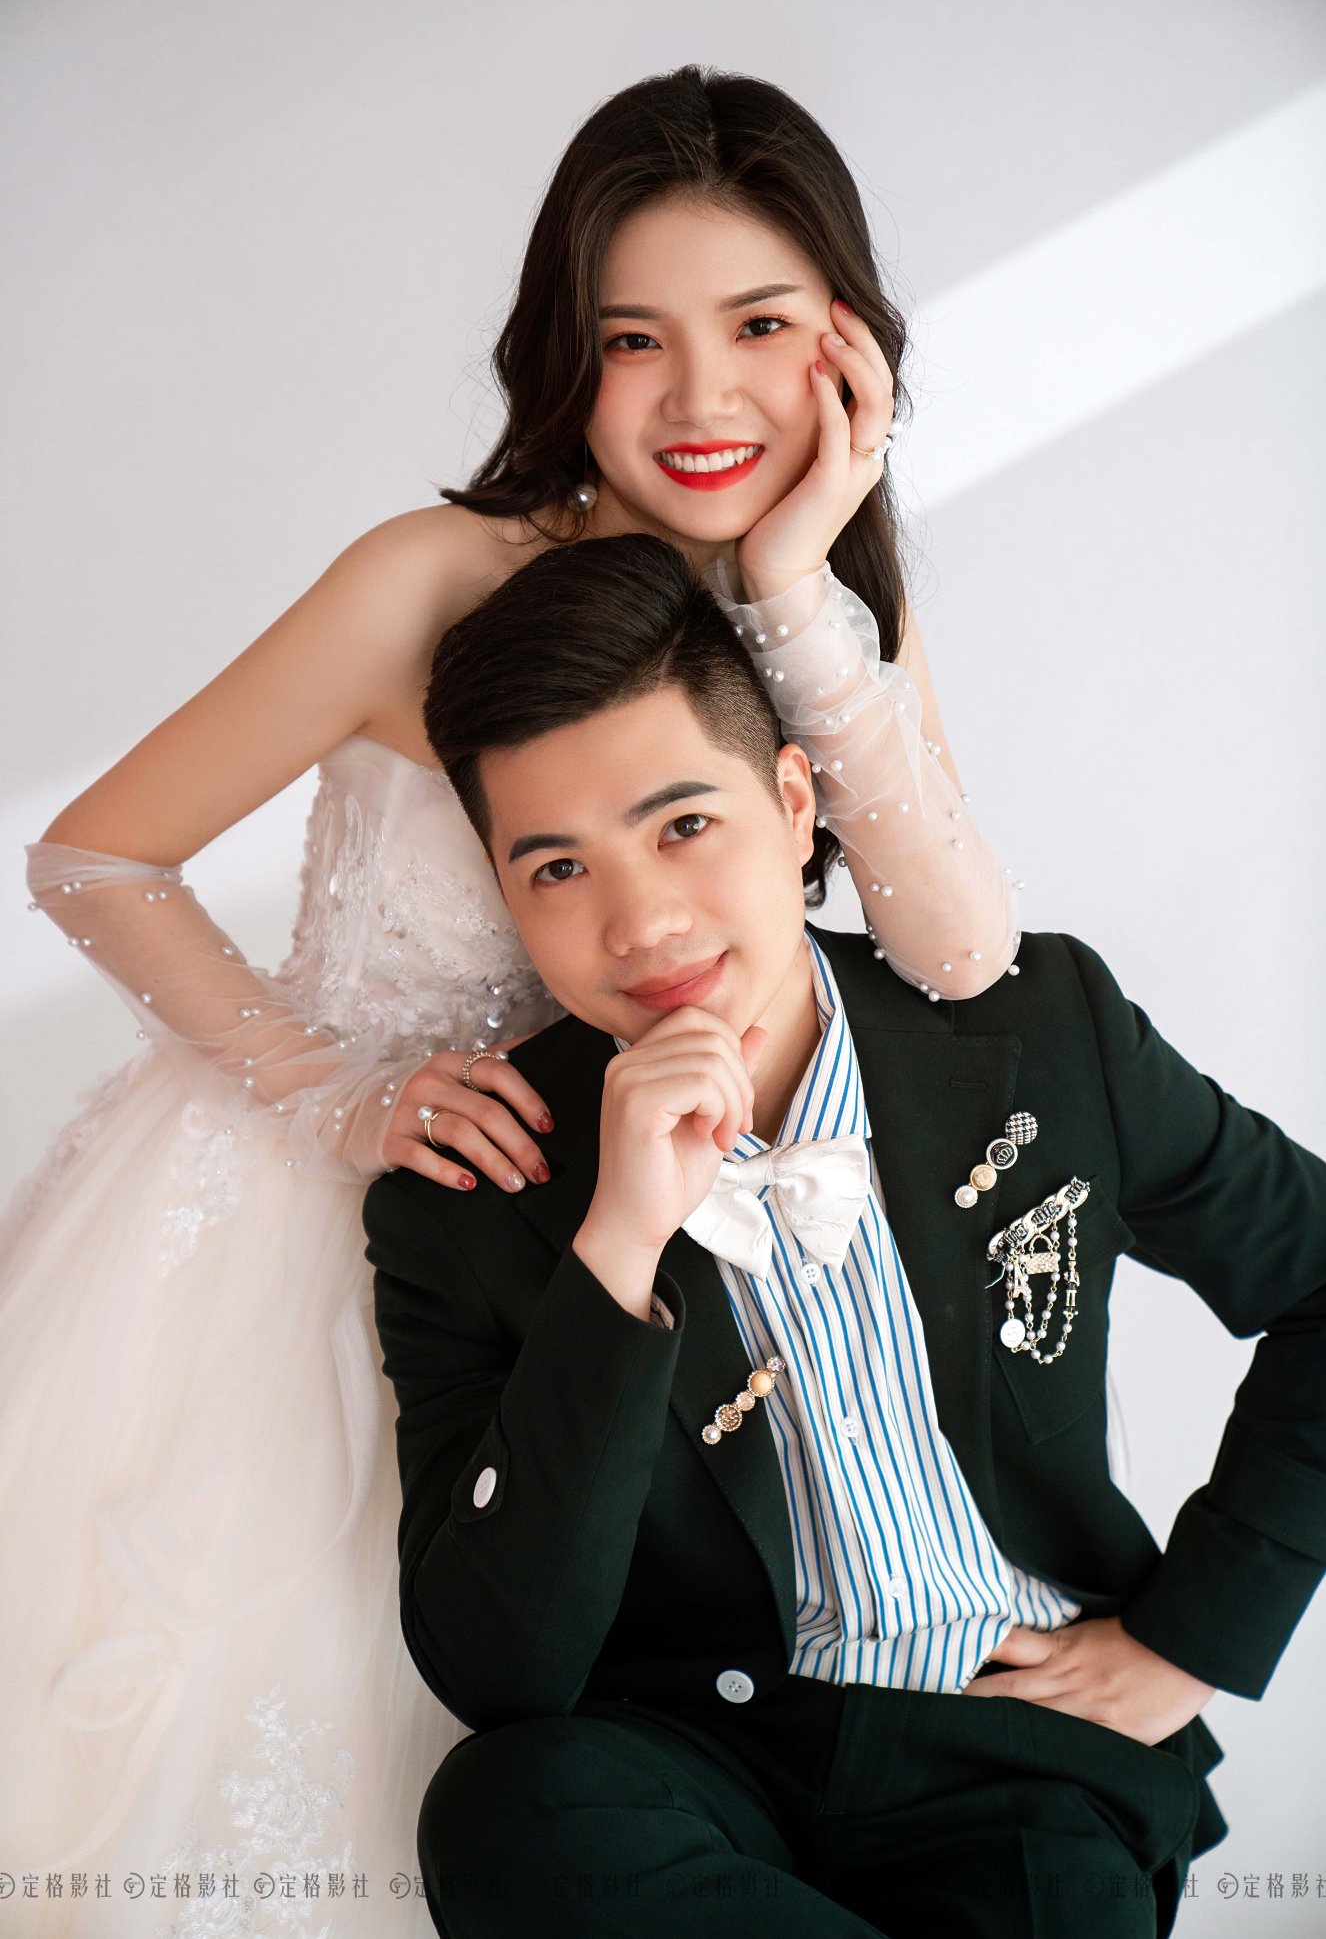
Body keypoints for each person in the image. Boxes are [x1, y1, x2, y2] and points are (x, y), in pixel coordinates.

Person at [1, 67, 1020, 1929]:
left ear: (848, 348)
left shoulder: (818, 605)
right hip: (326, 1213)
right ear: (565, 354)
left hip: (602, 1241)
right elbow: (93, 857)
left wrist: (795, 580)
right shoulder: (433, 579)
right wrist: (338, 1091)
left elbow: (955, 956)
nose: (700, 399)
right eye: (633, 340)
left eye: (759, 328)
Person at [366, 530, 1326, 1939]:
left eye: (682, 826)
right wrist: (617, 1244)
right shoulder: (469, 1186)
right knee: (504, 1809)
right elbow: (495, 1671)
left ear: (792, 798)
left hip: (1025, 1742)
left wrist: (1198, 1637)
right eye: (558, 868)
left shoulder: (1037, 1031)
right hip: (697, 1750)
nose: (640, 923)